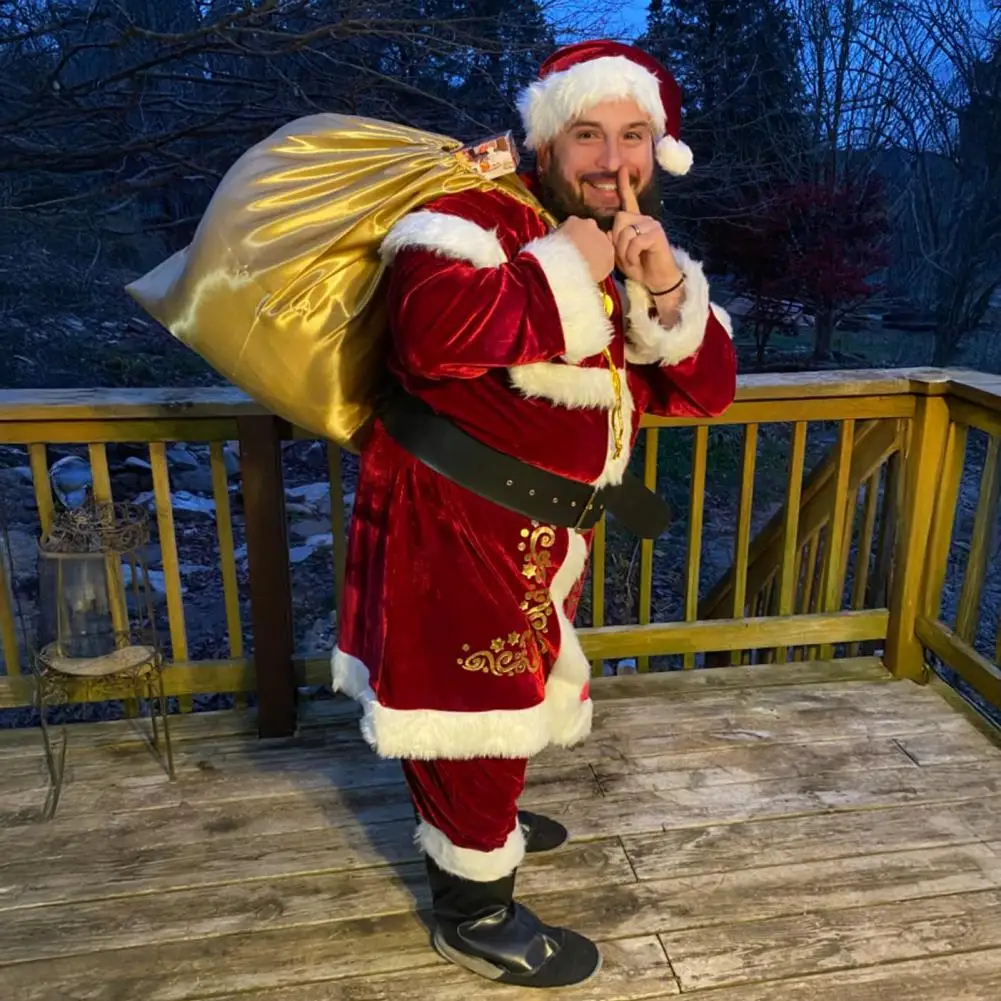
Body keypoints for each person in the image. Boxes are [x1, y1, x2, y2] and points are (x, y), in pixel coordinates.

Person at [331, 39, 737, 988]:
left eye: (632, 136)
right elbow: (431, 336)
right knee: (473, 711)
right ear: (546, 145)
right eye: (587, 135)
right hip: (451, 521)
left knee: (506, 701)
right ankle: (473, 907)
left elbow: (709, 388)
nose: (612, 160)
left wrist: (662, 284)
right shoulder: (469, 218)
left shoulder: (635, 244)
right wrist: (571, 259)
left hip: (543, 532)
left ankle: (481, 821)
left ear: (657, 148)